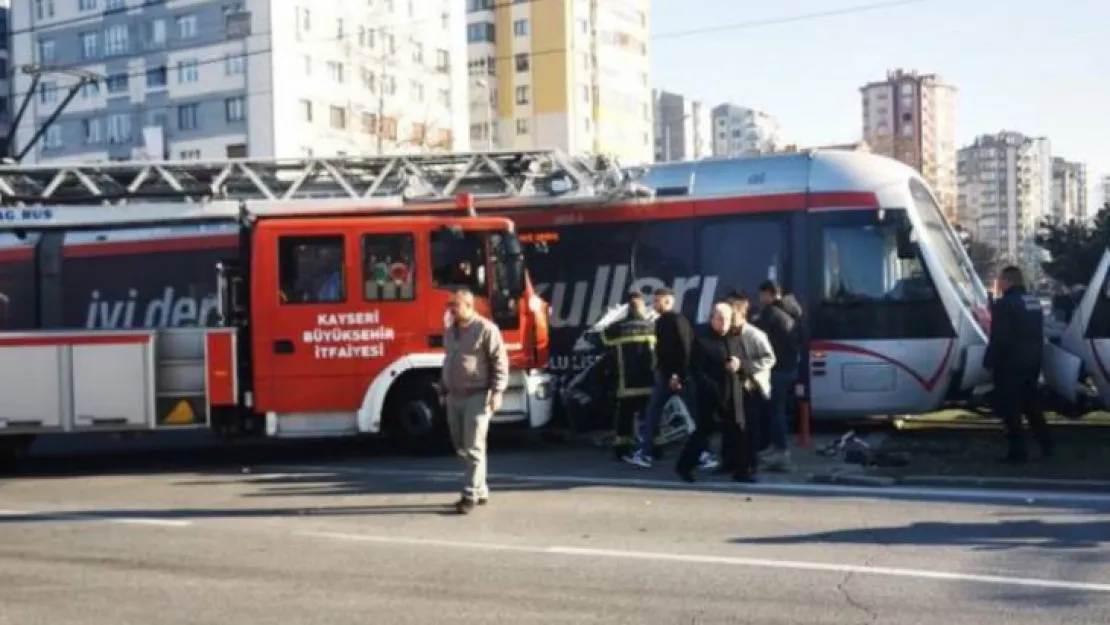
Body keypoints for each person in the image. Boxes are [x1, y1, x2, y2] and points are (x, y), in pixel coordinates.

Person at [440, 287, 510, 514]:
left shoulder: (485, 329)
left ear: (469, 306)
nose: (451, 309)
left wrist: (497, 391)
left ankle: (469, 494)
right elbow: (448, 360)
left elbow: (500, 362)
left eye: (456, 305)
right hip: (454, 396)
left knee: (474, 447)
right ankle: (481, 489)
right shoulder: (450, 331)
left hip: (477, 395)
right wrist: (443, 389)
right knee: (460, 444)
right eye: (450, 305)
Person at [984, 266, 1052, 463]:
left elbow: (999, 337)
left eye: (1000, 280)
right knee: (1032, 405)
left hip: (1010, 363)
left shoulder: (1004, 304)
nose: (999, 284)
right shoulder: (1034, 302)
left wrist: (989, 361)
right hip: (1033, 361)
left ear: (1008, 281)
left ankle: (1017, 452)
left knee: (1011, 408)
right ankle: (1046, 445)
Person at [622, 287, 695, 469]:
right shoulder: (664, 321)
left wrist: (677, 375)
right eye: (653, 301)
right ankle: (646, 453)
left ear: (668, 302)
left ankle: (704, 454)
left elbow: (684, 350)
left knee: (693, 416)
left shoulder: (675, 321)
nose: (654, 304)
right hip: (667, 377)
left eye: (657, 301)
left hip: (677, 377)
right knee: (653, 412)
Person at [676, 302, 748, 482]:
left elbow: (747, 361)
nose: (724, 323)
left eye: (727, 319)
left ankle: (739, 470)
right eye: (720, 319)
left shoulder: (736, 338)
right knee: (704, 432)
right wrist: (710, 386)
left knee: (738, 431)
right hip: (710, 395)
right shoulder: (702, 341)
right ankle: (684, 467)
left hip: (734, 393)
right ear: (712, 319)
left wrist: (740, 365)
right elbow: (695, 369)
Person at [724, 292, 776, 477]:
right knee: (731, 428)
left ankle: (749, 466)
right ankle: (730, 462)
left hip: (751, 387)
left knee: (750, 429)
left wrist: (746, 366)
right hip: (733, 388)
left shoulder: (754, 334)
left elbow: (770, 358)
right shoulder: (727, 334)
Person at [600, 291, 657, 459]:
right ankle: (655, 448)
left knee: (624, 417)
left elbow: (600, 337)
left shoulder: (617, 329)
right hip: (649, 381)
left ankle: (622, 449)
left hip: (626, 384)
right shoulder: (652, 326)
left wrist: (609, 317)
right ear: (642, 307)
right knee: (651, 416)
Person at [755, 281, 803, 472]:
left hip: (778, 368)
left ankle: (781, 450)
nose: (760, 299)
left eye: (762, 295)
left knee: (775, 412)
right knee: (776, 410)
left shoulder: (771, 313)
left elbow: (757, 335)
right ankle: (774, 447)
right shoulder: (790, 311)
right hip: (790, 366)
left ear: (770, 294)